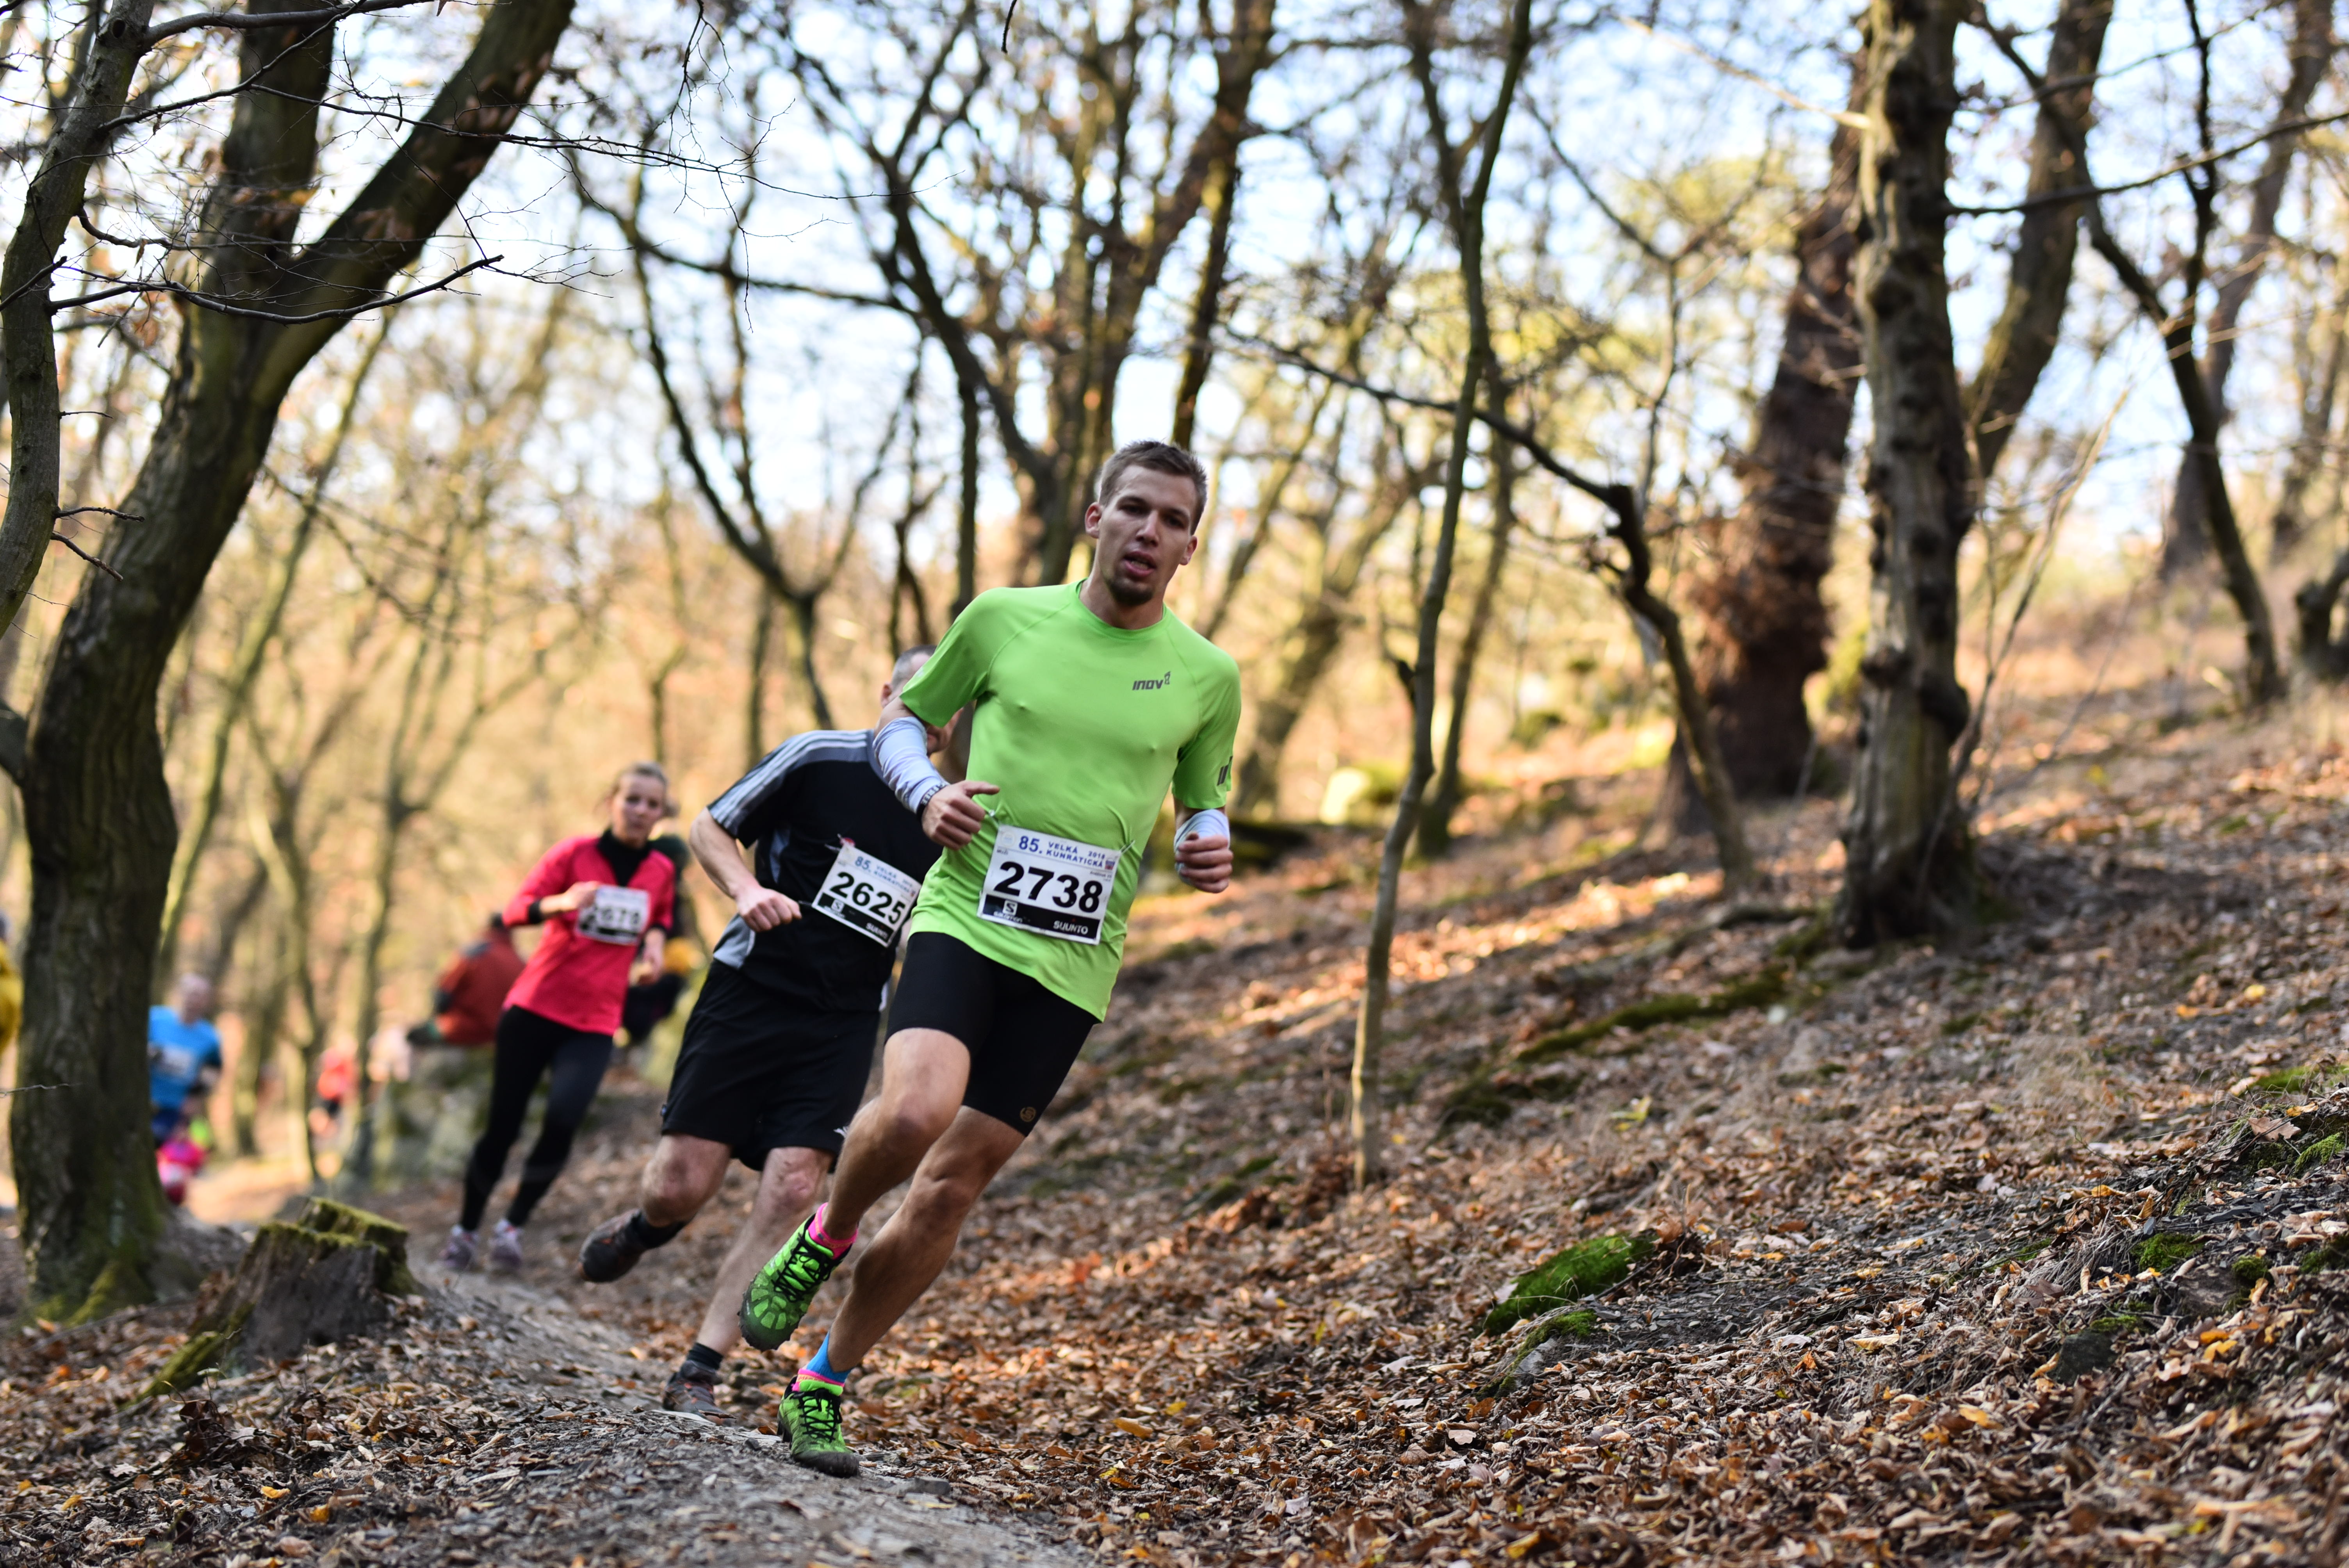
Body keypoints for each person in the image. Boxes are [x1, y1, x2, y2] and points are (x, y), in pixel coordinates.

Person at [740, 440, 1239, 1476]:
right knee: (914, 1113)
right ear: (1095, 519)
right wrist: (928, 793)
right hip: (966, 912)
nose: (1149, 532)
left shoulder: (1209, 676)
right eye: (1133, 509)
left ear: (1191, 547)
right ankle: (824, 1235)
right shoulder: (1004, 619)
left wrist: (1208, 839)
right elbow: (902, 726)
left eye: (1173, 521)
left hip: (1075, 961)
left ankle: (821, 1384)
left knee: (949, 1188)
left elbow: (1203, 798)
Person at [576, 647, 949, 1419]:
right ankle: (647, 1226)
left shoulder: (947, 815)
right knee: (680, 1185)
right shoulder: (818, 756)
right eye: (920, 698)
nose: (930, 720)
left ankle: (699, 1369)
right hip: (751, 990)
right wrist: (746, 889)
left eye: (947, 707)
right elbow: (710, 826)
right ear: (886, 693)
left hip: (843, 1019)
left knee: (794, 1186)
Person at [441, 762, 677, 1274]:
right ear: (611, 801)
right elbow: (513, 911)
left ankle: (512, 1227)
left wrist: (655, 948)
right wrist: (562, 903)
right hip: (535, 1008)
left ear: (661, 812)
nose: (640, 810)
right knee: (502, 1126)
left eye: (651, 804)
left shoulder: (661, 869)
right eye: (632, 799)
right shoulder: (574, 854)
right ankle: (466, 1229)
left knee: (563, 1121)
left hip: (596, 1021)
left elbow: (660, 915)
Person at [408, 914, 526, 1048]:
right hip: (503, 1035)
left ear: (489, 927)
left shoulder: (475, 953)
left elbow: (443, 995)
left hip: (462, 1030)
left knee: (413, 1036)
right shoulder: (520, 962)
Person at [148, 974, 223, 1146]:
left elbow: (211, 1073)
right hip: (141, 1098)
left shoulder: (210, 1038)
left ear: (207, 1002)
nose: (193, 1000)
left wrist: (194, 1100)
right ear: (179, 993)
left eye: (200, 996)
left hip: (173, 1107)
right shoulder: (154, 1019)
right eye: (190, 993)